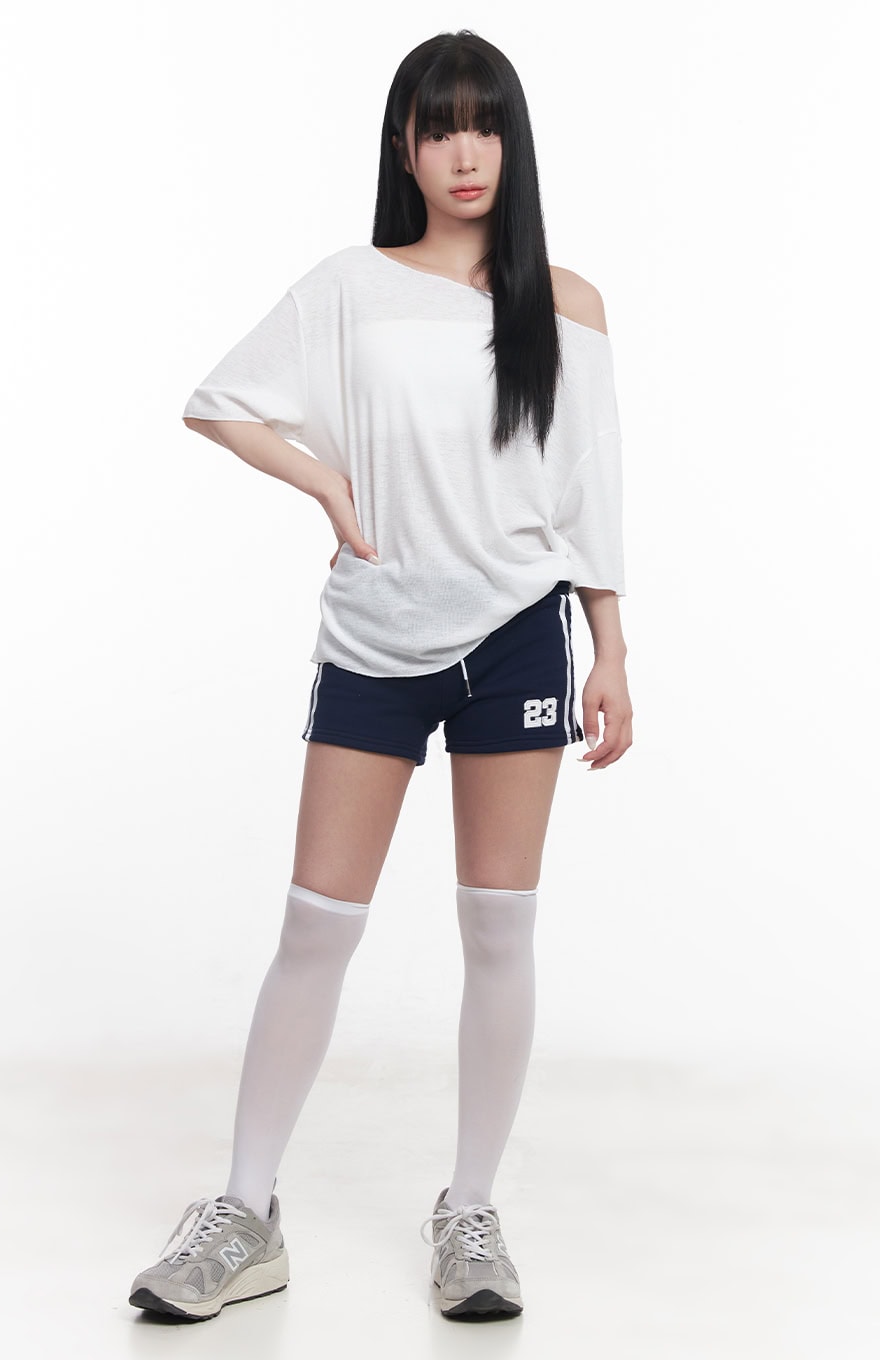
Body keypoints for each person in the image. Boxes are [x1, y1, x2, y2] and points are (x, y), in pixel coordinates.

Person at [129, 28, 632, 1324]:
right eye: (439, 125)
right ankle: (245, 1211)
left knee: (498, 925)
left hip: (519, 635)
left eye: (487, 124)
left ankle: (471, 1209)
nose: (466, 151)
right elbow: (217, 401)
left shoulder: (565, 302)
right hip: (376, 635)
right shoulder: (350, 287)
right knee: (318, 923)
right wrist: (325, 481)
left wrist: (612, 648)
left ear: (512, 144)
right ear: (404, 147)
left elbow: (588, 492)